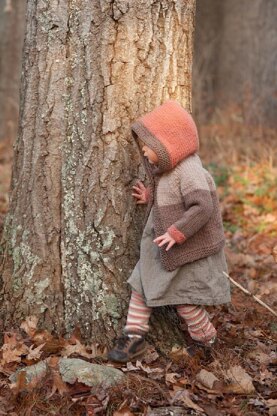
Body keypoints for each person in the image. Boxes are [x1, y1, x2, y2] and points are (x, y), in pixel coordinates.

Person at [108, 100, 231, 363]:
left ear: (169, 144)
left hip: (183, 249)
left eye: (149, 144)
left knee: (184, 299)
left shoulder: (189, 171)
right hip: (161, 247)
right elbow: (171, 197)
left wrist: (177, 232)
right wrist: (150, 196)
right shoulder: (168, 170)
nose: (142, 148)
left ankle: (207, 340)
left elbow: (201, 207)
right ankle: (134, 337)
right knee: (141, 285)